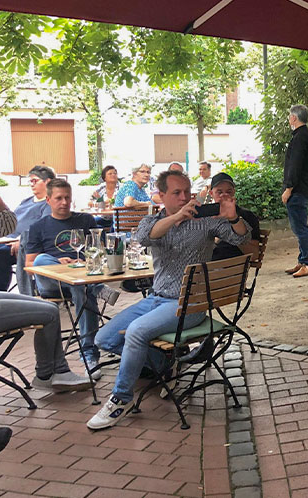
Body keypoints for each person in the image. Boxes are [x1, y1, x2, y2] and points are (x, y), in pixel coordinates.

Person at [87, 169, 250, 430]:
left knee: (137, 332)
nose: (185, 197)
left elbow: (243, 237)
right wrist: (176, 217)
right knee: (104, 339)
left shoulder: (206, 220)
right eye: (177, 193)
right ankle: (168, 363)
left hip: (191, 304)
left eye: (187, 191)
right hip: (156, 300)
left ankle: (121, 399)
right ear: (161, 196)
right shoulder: (152, 221)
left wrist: (233, 218)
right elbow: (143, 238)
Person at [0, 183, 92, 394]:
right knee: (48, 312)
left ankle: (57, 373)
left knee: (46, 308)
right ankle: (47, 375)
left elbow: (6, 228)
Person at [26, 179, 120, 377]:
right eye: (59, 198)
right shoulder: (38, 227)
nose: (64, 202)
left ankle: (89, 355)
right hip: (52, 282)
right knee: (42, 259)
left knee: (81, 287)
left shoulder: (85, 220)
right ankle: (99, 289)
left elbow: (99, 251)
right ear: (48, 200)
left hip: (81, 278)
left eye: (67, 198)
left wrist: (82, 263)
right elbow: (30, 265)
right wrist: (58, 263)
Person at [0, 165, 55, 293]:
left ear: (47, 182)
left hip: (26, 243)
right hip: (6, 237)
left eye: (35, 181)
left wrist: (21, 239)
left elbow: (44, 227)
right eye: (30, 181)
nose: (31, 184)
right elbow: (11, 219)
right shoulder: (26, 201)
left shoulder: (49, 203)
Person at [282, 104, 308, 278]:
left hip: (298, 190)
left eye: (290, 116)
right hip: (303, 188)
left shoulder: (299, 138)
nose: (289, 119)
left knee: (300, 228)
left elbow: (295, 166)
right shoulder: (306, 137)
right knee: (300, 227)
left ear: (294, 118)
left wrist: (288, 188)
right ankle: (303, 260)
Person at [209, 172, 261, 261]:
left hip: (233, 268)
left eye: (228, 192)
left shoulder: (247, 216)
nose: (224, 195)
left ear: (234, 192)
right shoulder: (206, 216)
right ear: (211, 193)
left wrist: (234, 232)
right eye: (219, 192)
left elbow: (254, 255)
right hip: (205, 267)